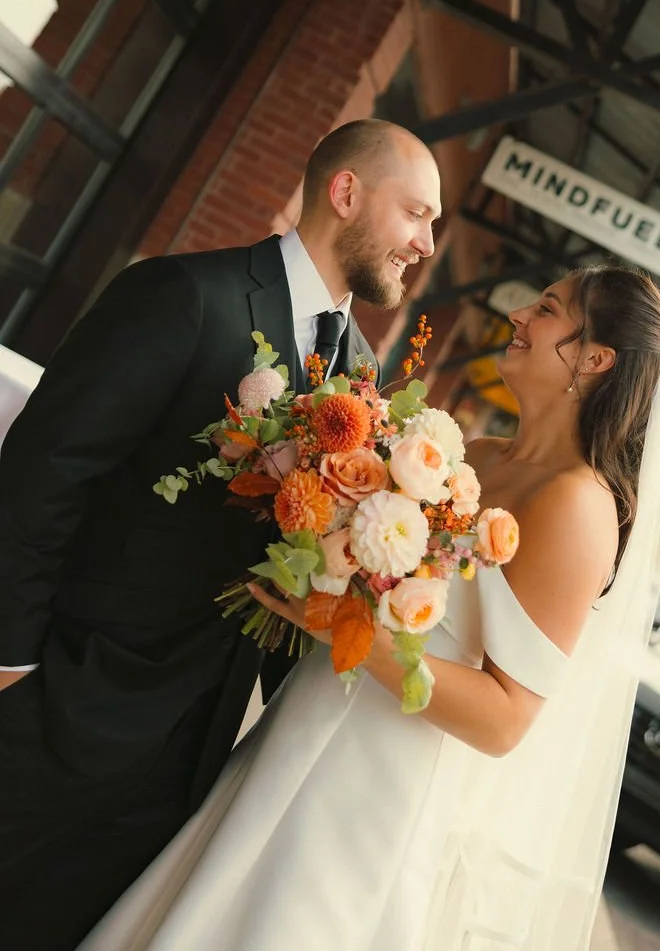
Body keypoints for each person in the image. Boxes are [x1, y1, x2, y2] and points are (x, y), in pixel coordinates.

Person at [81, 263, 660, 951]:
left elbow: (506, 718)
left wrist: (342, 626)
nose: (518, 316)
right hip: (307, 717)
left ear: (594, 357)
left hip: (374, 785)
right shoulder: (476, 453)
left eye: (546, 309)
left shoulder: (578, 504)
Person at [0, 118, 441, 951]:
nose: (425, 242)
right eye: (416, 214)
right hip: (61, 697)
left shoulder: (364, 376)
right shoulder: (181, 295)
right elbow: (43, 473)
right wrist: (12, 659)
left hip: (189, 753)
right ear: (346, 193)